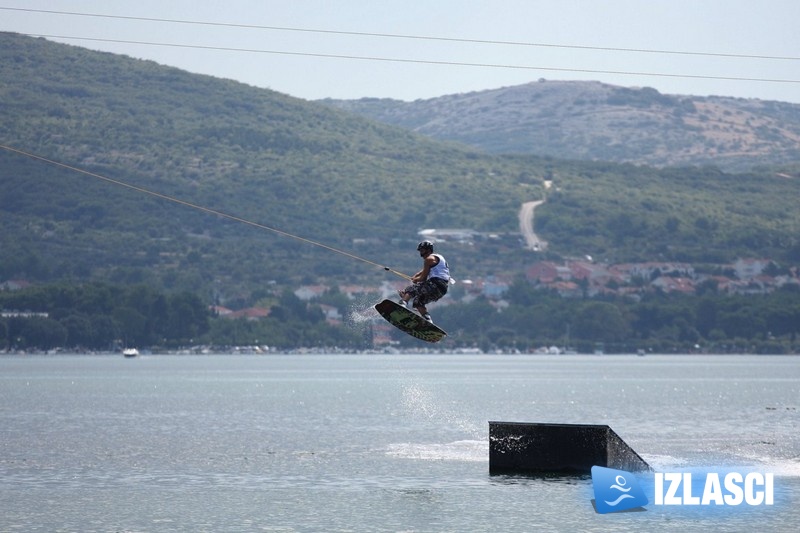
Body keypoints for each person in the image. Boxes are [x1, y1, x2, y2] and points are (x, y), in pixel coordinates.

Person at [397, 241, 450, 323]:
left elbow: (423, 278)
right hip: (442, 289)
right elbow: (425, 270)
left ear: (428, 250)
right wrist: (416, 275)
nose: (421, 253)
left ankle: (402, 304)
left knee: (411, 289)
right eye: (420, 251)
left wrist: (416, 279)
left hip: (436, 284)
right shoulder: (438, 257)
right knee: (418, 301)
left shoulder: (428, 259)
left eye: (422, 250)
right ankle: (428, 320)